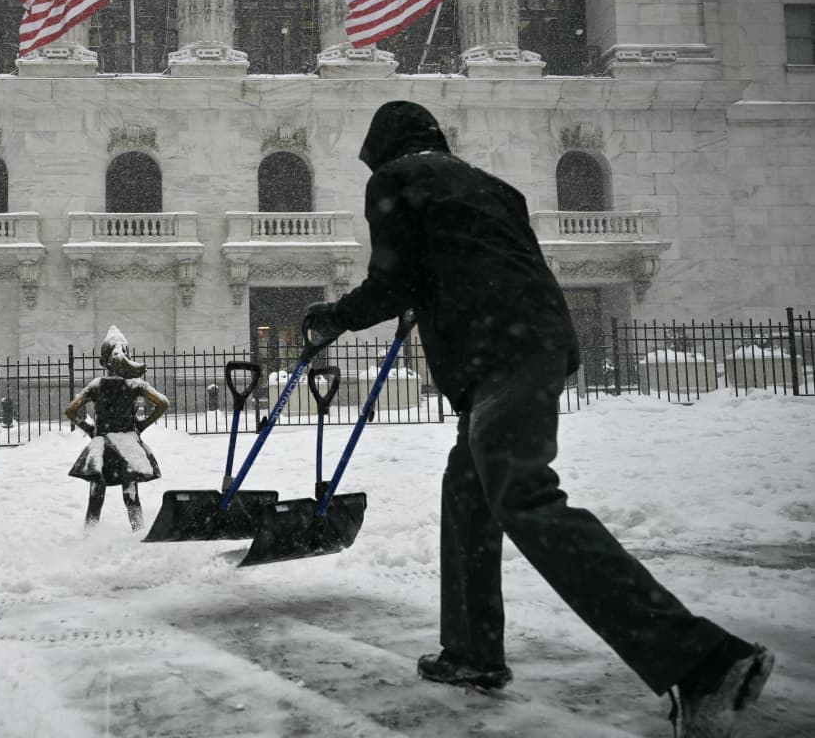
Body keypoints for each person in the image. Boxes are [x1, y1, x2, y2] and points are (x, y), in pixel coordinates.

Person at [303, 101, 772, 738]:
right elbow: (502, 263)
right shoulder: (493, 188)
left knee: (523, 494)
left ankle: (701, 659)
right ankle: (471, 654)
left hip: (500, 355)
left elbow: (391, 280)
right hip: (532, 342)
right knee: (468, 494)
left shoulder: (396, 180)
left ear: (382, 149)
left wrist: (335, 318)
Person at [65, 326, 169, 532]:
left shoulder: (97, 385)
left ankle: (90, 535)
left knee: (96, 496)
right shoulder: (134, 385)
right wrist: (142, 425)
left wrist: (89, 428)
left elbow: (70, 411)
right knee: (131, 495)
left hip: (102, 446)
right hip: (127, 445)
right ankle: (137, 532)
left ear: (103, 362)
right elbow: (163, 403)